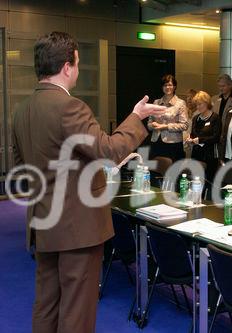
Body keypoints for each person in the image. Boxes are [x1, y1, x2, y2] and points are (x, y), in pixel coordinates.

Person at [11, 31, 166, 333]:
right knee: (76, 312)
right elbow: (109, 151)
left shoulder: (21, 111)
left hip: (43, 222)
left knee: (47, 304)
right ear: (67, 67)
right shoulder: (70, 107)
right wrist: (136, 117)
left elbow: (22, 169)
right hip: (77, 229)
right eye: (78, 63)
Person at [148, 74, 188, 161]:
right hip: (156, 142)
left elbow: (184, 125)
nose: (167, 87)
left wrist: (166, 126)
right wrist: (152, 125)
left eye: (170, 85)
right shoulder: (156, 102)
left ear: (174, 87)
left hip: (173, 144)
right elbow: (149, 124)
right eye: (165, 85)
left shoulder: (180, 103)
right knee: (155, 171)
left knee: (172, 172)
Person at [187, 91, 221, 183]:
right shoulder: (195, 118)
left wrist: (200, 140)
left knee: (208, 182)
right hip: (196, 154)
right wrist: (190, 139)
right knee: (194, 181)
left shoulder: (215, 118)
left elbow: (216, 137)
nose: (198, 107)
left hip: (209, 156)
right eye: (196, 105)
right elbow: (193, 134)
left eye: (200, 104)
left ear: (207, 103)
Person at [184, 88, 198, 157]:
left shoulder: (199, 113)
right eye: (187, 97)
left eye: (191, 97)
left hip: (194, 146)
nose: (189, 99)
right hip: (184, 145)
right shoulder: (183, 112)